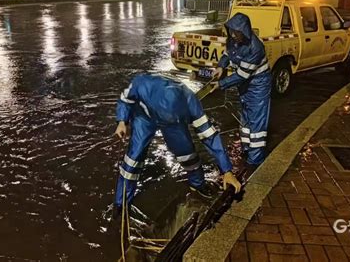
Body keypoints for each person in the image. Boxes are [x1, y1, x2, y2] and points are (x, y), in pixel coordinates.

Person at [113, 74, 241, 213]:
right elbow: (125, 100)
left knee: (187, 152)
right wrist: (122, 121)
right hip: (145, 117)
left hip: (174, 124)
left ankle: (197, 185)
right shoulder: (141, 84)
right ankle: (121, 202)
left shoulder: (190, 101)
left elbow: (209, 135)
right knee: (134, 158)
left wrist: (226, 171)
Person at [212, 13, 271, 166]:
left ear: (244, 31)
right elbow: (227, 54)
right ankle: (246, 148)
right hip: (245, 84)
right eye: (231, 31)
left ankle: (255, 160)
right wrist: (220, 66)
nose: (233, 35)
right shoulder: (233, 40)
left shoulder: (255, 47)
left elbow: (241, 75)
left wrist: (221, 84)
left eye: (237, 32)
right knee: (245, 116)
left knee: (257, 122)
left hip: (258, 85)